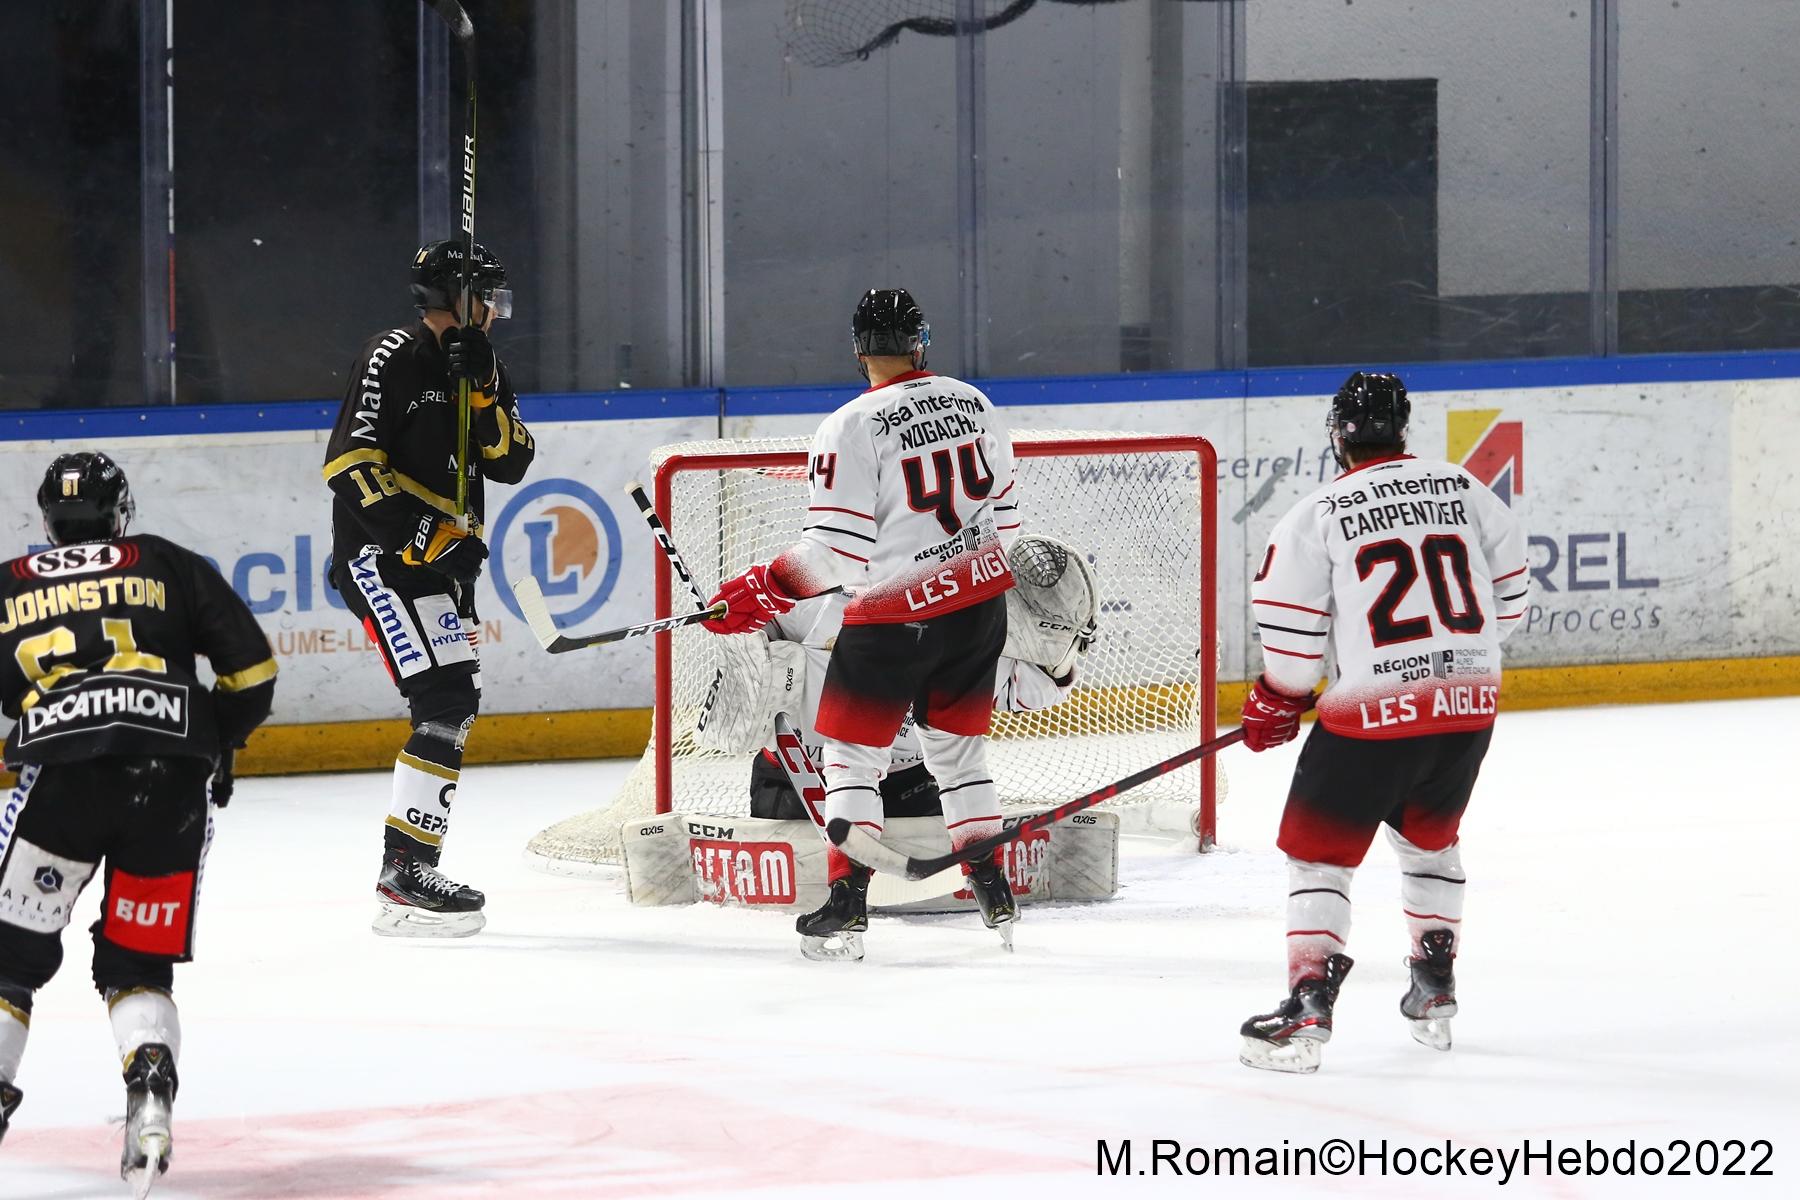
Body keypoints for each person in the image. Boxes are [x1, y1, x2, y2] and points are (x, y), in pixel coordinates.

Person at [700, 288, 1021, 961]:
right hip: (977, 607)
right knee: (959, 758)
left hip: (895, 617)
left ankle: (847, 901)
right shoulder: (975, 402)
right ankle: (991, 884)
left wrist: (758, 590)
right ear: (920, 341)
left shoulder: (850, 424)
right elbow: (1008, 526)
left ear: (858, 349)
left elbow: (834, 553)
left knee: (851, 757)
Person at [1235, 372, 1528, 1073]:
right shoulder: (1465, 489)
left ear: (1338, 436)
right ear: (1402, 428)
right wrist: (1447, 665)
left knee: (1320, 858)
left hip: (1370, 719)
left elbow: (1293, 642)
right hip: (1466, 707)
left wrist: (1279, 697)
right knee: (1431, 844)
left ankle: (1308, 1003)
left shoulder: (1317, 513)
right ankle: (1435, 986)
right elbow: (1510, 601)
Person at [0, 452, 276, 1191]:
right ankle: (150, 1095)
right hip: (172, 781)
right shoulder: (168, 562)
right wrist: (212, 736)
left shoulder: (8, 582)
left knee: (8, 962)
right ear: (120, 512)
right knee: (137, 964)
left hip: (61, 781)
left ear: (49, 520)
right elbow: (252, 674)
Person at [322, 240, 536, 937]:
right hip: (381, 559)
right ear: (455, 296)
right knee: (444, 699)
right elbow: (349, 465)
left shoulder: (482, 363)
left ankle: (407, 871)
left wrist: (483, 389)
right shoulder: (391, 354)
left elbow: (511, 460)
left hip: (440, 571)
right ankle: (404, 875)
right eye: (487, 296)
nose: (495, 311)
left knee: (453, 705)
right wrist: (431, 538)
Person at [697, 534, 1097, 823]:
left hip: (909, 784)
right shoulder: (827, 595)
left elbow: (1043, 684)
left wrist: (1057, 652)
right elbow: (749, 638)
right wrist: (755, 662)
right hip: (795, 779)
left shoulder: (978, 635)